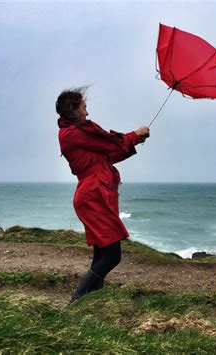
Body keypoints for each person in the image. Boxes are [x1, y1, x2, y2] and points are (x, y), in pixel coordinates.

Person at [56, 88, 150, 302]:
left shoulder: (81, 133)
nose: (87, 113)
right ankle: (77, 300)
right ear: (73, 110)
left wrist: (135, 140)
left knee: (101, 254)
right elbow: (109, 144)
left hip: (96, 195)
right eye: (84, 108)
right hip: (93, 197)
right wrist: (135, 134)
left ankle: (92, 301)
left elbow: (108, 155)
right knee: (112, 256)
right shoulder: (74, 134)